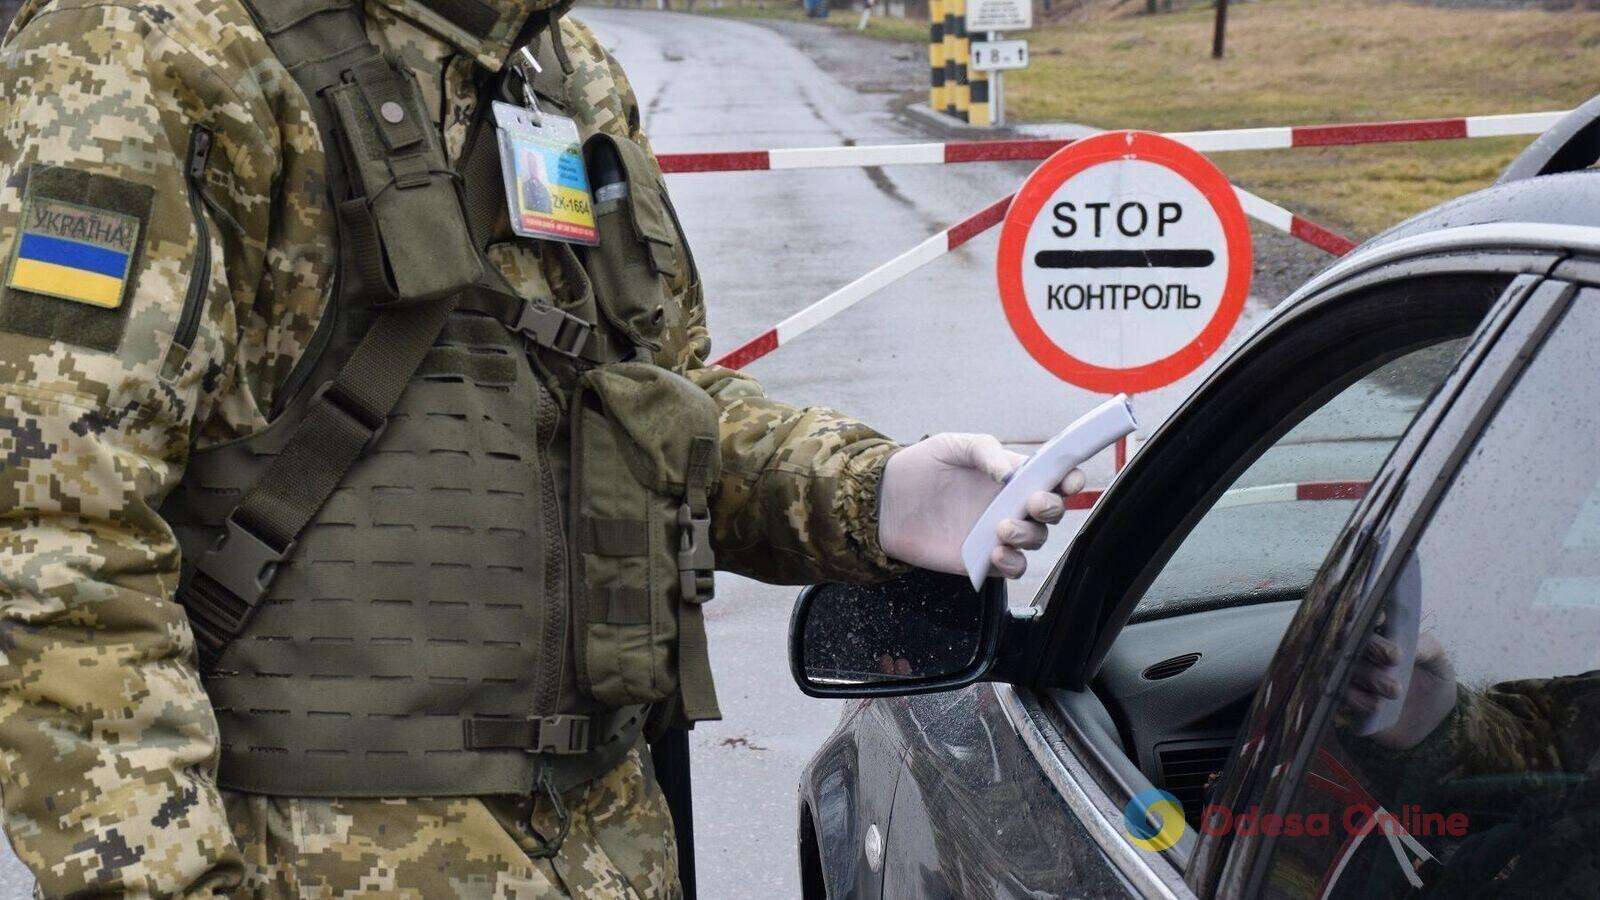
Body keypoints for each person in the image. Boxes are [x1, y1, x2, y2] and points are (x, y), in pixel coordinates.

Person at [0, 1, 1082, 895]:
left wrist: (869, 492)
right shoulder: (153, 50)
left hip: (610, 847)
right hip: (309, 860)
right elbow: (50, 539)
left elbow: (648, 398)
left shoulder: (555, 69)